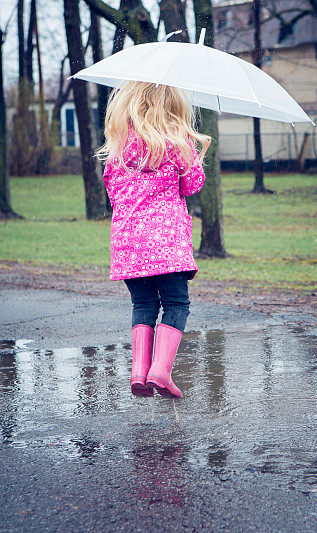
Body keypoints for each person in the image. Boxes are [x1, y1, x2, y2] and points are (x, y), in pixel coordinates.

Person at [96, 81, 210, 399]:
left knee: (143, 303)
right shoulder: (175, 141)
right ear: (173, 106)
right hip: (166, 245)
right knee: (176, 303)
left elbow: (112, 188)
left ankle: (138, 372)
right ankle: (160, 371)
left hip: (129, 244)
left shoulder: (118, 145)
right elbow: (192, 184)